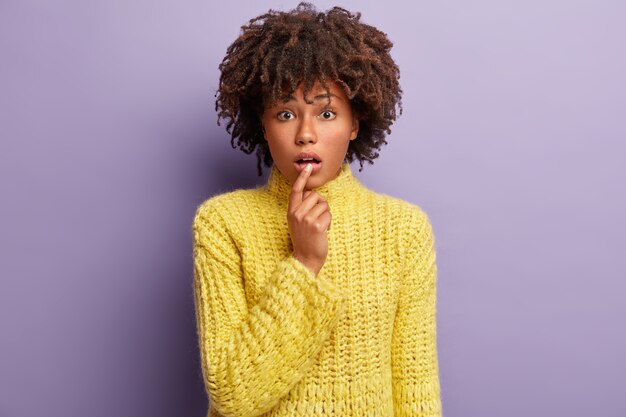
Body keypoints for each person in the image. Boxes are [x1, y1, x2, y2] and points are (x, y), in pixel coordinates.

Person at [192, 3, 443, 416]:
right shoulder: (222, 223)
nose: (306, 134)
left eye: (327, 113)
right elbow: (233, 397)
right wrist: (305, 263)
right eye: (286, 113)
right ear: (263, 122)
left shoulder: (404, 229)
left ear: (355, 123)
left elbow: (416, 392)